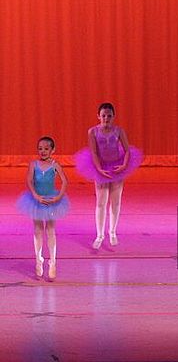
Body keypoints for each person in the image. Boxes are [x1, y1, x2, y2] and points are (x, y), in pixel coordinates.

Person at [74, 102, 142, 249]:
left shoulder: (119, 131)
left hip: (117, 167)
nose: (106, 118)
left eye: (109, 116)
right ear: (98, 116)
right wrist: (99, 169)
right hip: (101, 168)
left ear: (113, 117)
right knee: (101, 202)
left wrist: (123, 165)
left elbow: (127, 150)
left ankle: (112, 232)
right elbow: (93, 152)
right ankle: (99, 235)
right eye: (103, 115)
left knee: (116, 201)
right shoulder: (92, 132)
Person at [16, 137, 69, 280]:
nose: (43, 151)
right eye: (40, 148)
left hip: (51, 200)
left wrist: (58, 197)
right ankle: (39, 260)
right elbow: (29, 180)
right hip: (37, 200)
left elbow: (65, 181)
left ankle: (52, 262)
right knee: (38, 230)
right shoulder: (33, 164)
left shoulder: (55, 165)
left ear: (53, 150)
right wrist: (35, 195)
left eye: (46, 148)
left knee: (51, 230)